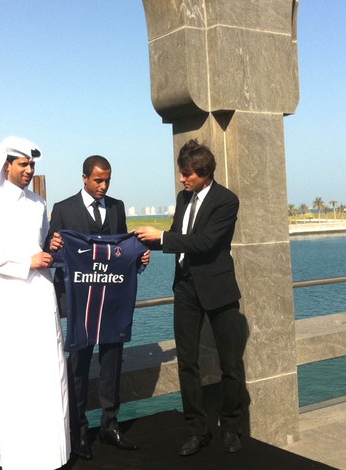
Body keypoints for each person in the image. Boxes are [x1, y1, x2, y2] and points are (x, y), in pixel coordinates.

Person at [135, 139, 245, 456]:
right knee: (187, 363)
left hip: (218, 290)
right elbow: (177, 237)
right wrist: (144, 243)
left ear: (203, 172)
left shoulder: (227, 201)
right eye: (181, 173)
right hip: (184, 288)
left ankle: (232, 428)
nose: (182, 179)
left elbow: (206, 242)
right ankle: (197, 430)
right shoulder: (184, 198)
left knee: (231, 365)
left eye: (186, 174)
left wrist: (163, 237)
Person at [0, 136, 70, 469]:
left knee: (48, 373)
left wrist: (50, 244)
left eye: (32, 165)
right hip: (5, 303)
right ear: (7, 165)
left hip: (40, 299)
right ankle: (18, 459)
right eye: (23, 164)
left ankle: (53, 455)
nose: (28, 170)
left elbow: (39, 246)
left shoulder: (39, 203)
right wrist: (26, 261)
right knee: (12, 378)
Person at [47, 155, 149, 460]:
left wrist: (138, 259)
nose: (103, 186)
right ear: (84, 178)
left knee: (112, 363)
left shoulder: (117, 207)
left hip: (112, 302)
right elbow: (50, 253)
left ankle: (109, 424)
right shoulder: (63, 210)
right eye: (98, 180)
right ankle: (78, 431)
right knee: (77, 367)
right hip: (79, 304)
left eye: (107, 180)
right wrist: (50, 248)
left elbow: (121, 252)